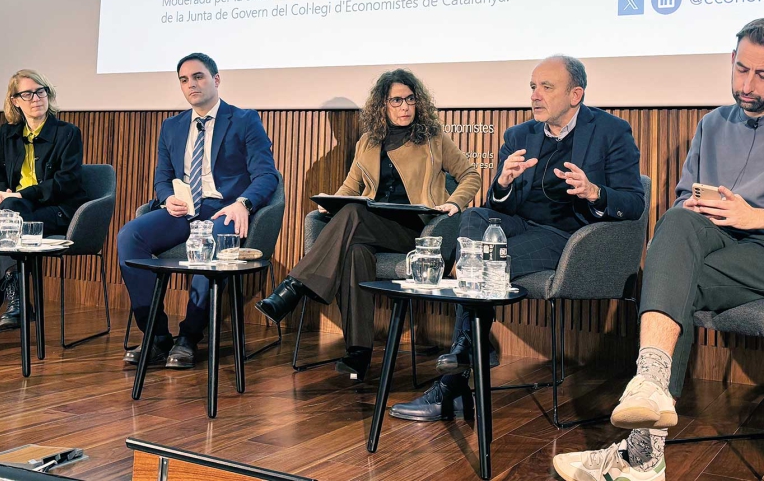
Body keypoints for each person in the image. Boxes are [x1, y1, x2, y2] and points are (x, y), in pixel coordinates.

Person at [552, 18, 764, 481]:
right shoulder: (713, 123)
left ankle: (642, 451)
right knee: (677, 221)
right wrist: (698, 206)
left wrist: (758, 217)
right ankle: (650, 400)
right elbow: (682, 199)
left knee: (668, 282)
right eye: (740, 70)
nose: (747, 84)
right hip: (712, 240)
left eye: (762, 75)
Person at [390, 55, 646, 421]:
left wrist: (594, 192)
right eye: (532, 87)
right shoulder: (518, 135)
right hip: (518, 226)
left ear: (576, 94)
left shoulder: (610, 131)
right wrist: (503, 184)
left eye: (546, 87)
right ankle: (472, 348)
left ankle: (458, 373)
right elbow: (498, 206)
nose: (535, 95)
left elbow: (634, 202)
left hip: (567, 238)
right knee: (475, 217)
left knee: (479, 262)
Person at [255, 68, 482, 381]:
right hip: (372, 228)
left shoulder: (433, 139)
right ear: (383, 106)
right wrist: (330, 202)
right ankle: (358, 353)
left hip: (418, 231)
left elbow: (471, 174)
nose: (405, 107)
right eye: (396, 101)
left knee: (352, 215)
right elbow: (351, 186)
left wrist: (454, 203)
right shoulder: (368, 142)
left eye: (410, 99)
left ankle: (294, 286)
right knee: (355, 252)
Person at [118, 53, 279, 369]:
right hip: (184, 210)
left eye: (198, 76)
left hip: (222, 211)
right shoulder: (172, 126)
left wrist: (242, 203)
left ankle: (189, 337)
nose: (191, 84)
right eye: (184, 79)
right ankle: (156, 335)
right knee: (129, 235)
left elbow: (267, 175)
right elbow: (162, 178)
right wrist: (167, 199)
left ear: (216, 80)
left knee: (212, 246)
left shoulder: (244, 119)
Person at [0, 69, 87, 354]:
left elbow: (67, 182)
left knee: (3, 221)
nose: (36, 98)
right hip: (16, 210)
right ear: (15, 101)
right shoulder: (7, 134)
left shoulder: (67, 133)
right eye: (27, 94)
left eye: (40, 91)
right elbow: (1, 178)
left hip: (56, 211)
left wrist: (17, 196)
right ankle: (14, 298)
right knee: (5, 216)